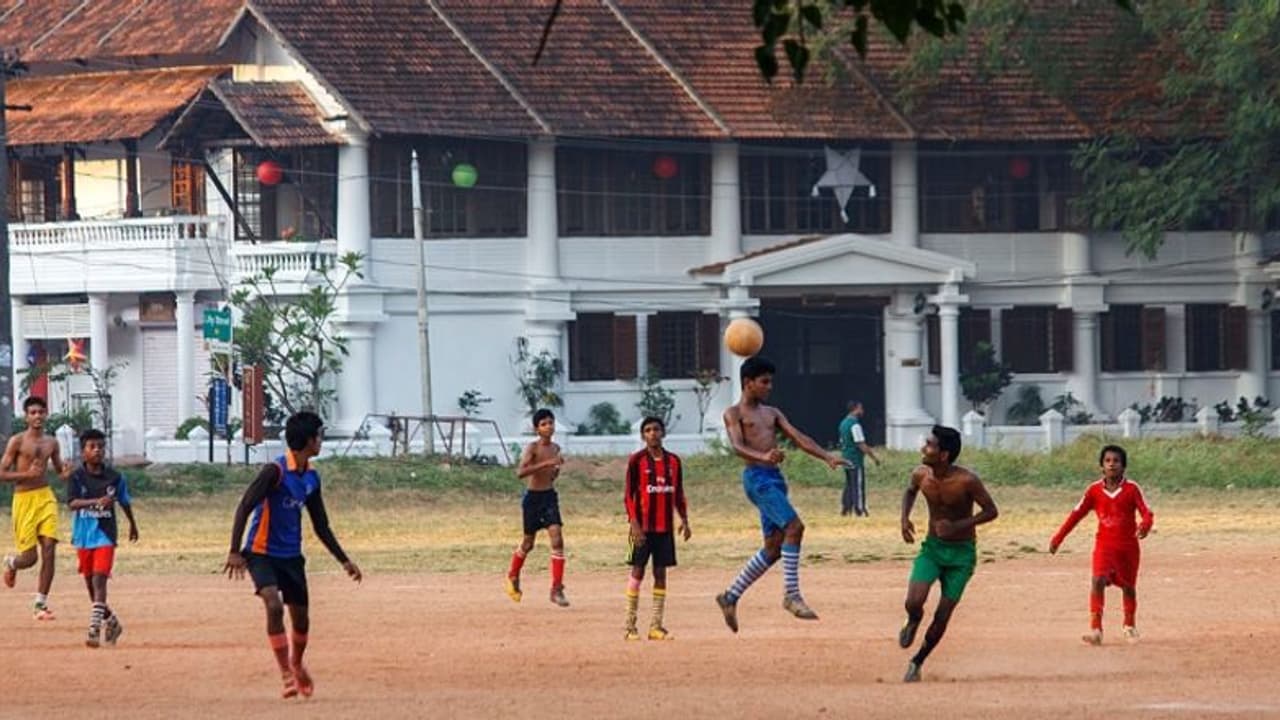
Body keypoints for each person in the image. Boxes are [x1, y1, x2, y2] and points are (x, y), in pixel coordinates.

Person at [224, 411, 363, 699]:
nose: (321, 441)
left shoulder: (311, 477)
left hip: (291, 558)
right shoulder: (274, 472)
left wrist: (344, 560)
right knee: (273, 605)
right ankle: (285, 672)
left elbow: (321, 525)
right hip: (261, 553)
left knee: (301, 621)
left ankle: (297, 662)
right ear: (309, 440)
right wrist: (235, 550)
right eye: (319, 436)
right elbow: (244, 506)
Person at [714, 356, 846, 632]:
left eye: (770, 381)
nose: (769, 386)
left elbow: (798, 437)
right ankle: (791, 595)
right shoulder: (733, 413)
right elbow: (738, 447)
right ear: (748, 383)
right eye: (764, 382)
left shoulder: (772, 413)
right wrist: (763, 455)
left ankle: (730, 596)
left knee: (774, 548)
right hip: (757, 479)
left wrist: (826, 457)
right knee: (794, 526)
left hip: (774, 479)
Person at [898, 425, 998, 683]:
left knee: (942, 615)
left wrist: (958, 526)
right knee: (913, 601)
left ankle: (917, 661)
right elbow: (909, 492)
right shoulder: (921, 474)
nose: (923, 448)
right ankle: (913, 620)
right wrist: (904, 519)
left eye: (929, 445)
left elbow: (991, 511)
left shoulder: (967, 480)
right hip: (932, 549)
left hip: (961, 556)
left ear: (944, 454)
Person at [1049, 444, 1154, 646]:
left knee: (1128, 587)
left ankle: (1129, 626)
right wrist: (1058, 538)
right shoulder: (1094, 491)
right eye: (1107, 461)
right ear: (1101, 466)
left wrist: (1145, 525)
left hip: (1128, 547)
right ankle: (1096, 629)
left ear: (1123, 466)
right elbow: (1076, 515)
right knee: (1097, 580)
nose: (1112, 464)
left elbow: (1146, 512)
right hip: (1104, 545)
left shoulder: (1132, 489)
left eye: (1116, 461)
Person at [66, 428, 138, 647]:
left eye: (101, 446)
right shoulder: (76, 477)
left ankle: (94, 630)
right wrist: (96, 502)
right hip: (83, 536)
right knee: (90, 585)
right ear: (83, 452)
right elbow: (72, 503)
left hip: (105, 535)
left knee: (99, 579)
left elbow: (124, 501)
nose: (97, 451)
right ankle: (112, 621)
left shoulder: (115, 478)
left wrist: (133, 525)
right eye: (92, 447)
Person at [2, 396, 72, 620]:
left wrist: (65, 474)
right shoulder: (17, 441)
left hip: (45, 497)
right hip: (24, 499)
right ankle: (12, 563)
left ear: (46, 414)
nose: (37, 416)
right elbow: (1, 473)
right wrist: (25, 475)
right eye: (33, 413)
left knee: (50, 548)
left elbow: (60, 470)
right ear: (26, 416)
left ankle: (40, 605)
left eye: (41, 412)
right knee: (30, 558)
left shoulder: (51, 442)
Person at [623, 416, 691, 641]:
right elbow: (628, 496)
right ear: (643, 435)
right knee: (637, 571)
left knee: (660, 573)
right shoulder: (636, 461)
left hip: (664, 528)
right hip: (641, 528)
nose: (653, 433)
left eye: (656, 429)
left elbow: (678, 493)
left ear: (663, 433)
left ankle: (656, 626)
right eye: (648, 430)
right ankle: (630, 626)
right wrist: (634, 525)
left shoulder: (673, 461)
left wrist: (684, 519)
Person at [505, 408, 569, 607]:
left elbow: (551, 475)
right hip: (532, 499)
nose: (548, 426)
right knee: (528, 543)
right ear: (536, 429)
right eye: (543, 424)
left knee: (557, 539)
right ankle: (513, 575)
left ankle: (556, 588)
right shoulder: (533, 448)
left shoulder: (556, 448)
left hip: (549, 497)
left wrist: (555, 470)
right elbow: (521, 472)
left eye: (551, 422)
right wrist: (547, 463)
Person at [838, 400, 881, 517]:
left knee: (849, 485)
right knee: (858, 484)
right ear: (855, 409)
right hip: (855, 459)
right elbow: (861, 444)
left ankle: (846, 508)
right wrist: (874, 457)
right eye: (861, 408)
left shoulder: (843, 423)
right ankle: (859, 509)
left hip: (845, 457)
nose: (862, 411)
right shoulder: (855, 425)